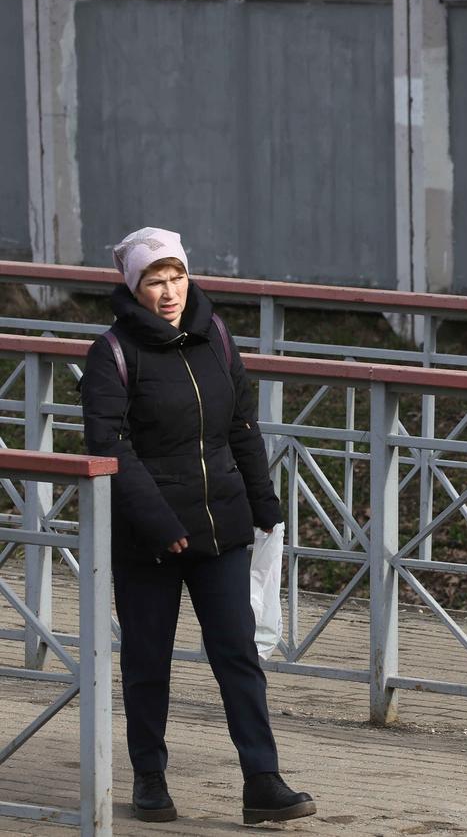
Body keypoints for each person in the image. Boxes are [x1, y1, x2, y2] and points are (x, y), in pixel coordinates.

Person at [81, 227, 316, 825]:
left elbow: (241, 425)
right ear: (134, 288)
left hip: (222, 527)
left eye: (176, 277)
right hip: (149, 538)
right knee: (147, 659)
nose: (168, 292)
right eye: (154, 281)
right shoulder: (111, 353)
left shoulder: (215, 337)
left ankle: (262, 781)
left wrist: (265, 505)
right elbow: (110, 444)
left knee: (238, 653)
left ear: (189, 276)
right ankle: (150, 779)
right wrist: (158, 520)